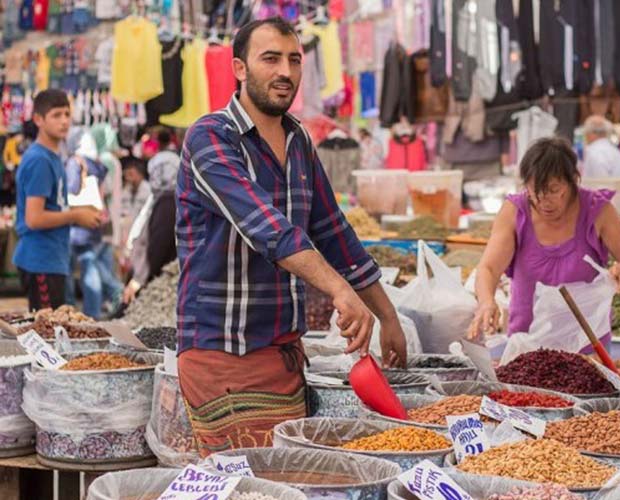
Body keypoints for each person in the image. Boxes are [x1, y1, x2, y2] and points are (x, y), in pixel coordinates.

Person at [176, 17, 408, 456]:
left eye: (294, 60)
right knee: (254, 484)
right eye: (271, 59)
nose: (285, 71)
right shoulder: (210, 137)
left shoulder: (298, 139)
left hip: (283, 354)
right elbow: (269, 230)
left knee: (286, 479)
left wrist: (387, 315)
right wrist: (341, 292)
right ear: (240, 69)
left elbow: (334, 230)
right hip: (224, 353)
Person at [469, 137, 620, 349]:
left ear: (572, 179)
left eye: (553, 190)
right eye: (535, 190)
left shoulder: (598, 210)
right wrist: (486, 301)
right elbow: (488, 268)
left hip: (587, 345)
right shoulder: (514, 211)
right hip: (527, 344)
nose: (544, 200)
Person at [13, 89, 102, 312]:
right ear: (38, 119)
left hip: (53, 258)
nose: (64, 121)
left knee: (55, 332)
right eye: (56, 115)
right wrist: (76, 215)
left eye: (66, 114)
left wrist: (81, 211)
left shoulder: (53, 156)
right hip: (40, 259)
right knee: (47, 335)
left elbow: (54, 206)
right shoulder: (39, 160)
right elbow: (34, 218)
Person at [65, 127, 124, 319]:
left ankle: (81, 309)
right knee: (92, 265)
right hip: (98, 220)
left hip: (80, 223)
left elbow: (72, 189)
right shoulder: (97, 162)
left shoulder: (76, 162)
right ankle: (95, 309)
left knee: (83, 266)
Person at [121, 135, 179, 305]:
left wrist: (140, 279)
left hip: (160, 283)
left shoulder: (168, 203)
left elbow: (158, 247)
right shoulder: (167, 199)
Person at [119, 156, 151, 246]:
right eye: (126, 174)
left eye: (131, 174)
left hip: (143, 231)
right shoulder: (126, 189)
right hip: (127, 231)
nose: (127, 177)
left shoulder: (148, 190)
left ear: (140, 174)